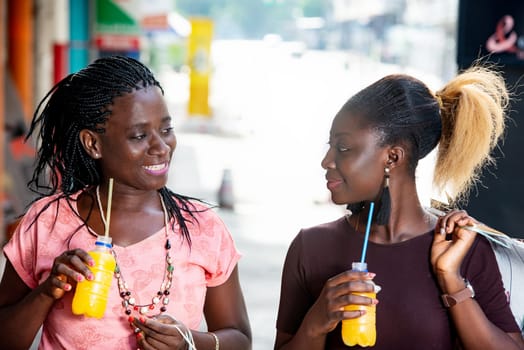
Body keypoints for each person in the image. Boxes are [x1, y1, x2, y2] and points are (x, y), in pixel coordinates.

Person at [0, 55, 252, 349]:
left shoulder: (202, 228)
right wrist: (46, 292)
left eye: (166, 129)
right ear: (93, 144)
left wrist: (191, 342)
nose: (161, 146)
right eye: (139, 135)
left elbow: (240, 338)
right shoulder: (47, 222)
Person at [274, 65, 524, 349]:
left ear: (392, 157)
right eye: (330, 146)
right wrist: (315, 323)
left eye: (343, 148)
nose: (327, 161)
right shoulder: (310, 247)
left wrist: (451, 281)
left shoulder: (463, 249)